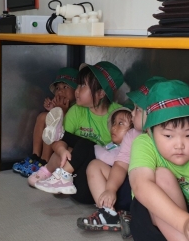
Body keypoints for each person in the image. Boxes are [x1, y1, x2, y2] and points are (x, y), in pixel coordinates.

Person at [128, 79, 189, 241]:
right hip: (155, 233)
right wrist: (184, 223)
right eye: (168, 136)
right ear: (150, 132)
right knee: (161, 176)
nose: (179, 144)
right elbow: (140, 184)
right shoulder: (144, 144)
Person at [77, 76, 166, 234]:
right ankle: (108, 212)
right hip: (126, 189)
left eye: (137, 109)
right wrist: (110, 189)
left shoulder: (167, 139)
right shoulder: (132, 135)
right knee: (95, 166)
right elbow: (120, 165)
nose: (132, 113)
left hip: (148, 196)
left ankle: (134, 218)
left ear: (153, 113)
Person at [29, 61, 124, 204]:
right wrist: (61, 151)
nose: (77, 90)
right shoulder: (76, 111)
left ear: (100, 93)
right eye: (78, 85)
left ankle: (58, 172)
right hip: (74, 175)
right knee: (66, 147)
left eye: (83, 85)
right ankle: (49, 172)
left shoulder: (117, 114)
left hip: (94, 179)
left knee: (86, 145)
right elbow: (59, 144)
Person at [12, 67, 78, 177]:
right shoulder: (59, 102)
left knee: (51, 124)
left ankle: (45, 161)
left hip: (66, 141)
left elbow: (67, 128)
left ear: (76, 91)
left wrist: (62, 111)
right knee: (42, 116)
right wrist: (53, 109)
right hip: (58, 136)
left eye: (65, 87)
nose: (60, 91)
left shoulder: (77, 106)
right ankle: (35, 156)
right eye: (58, 88)